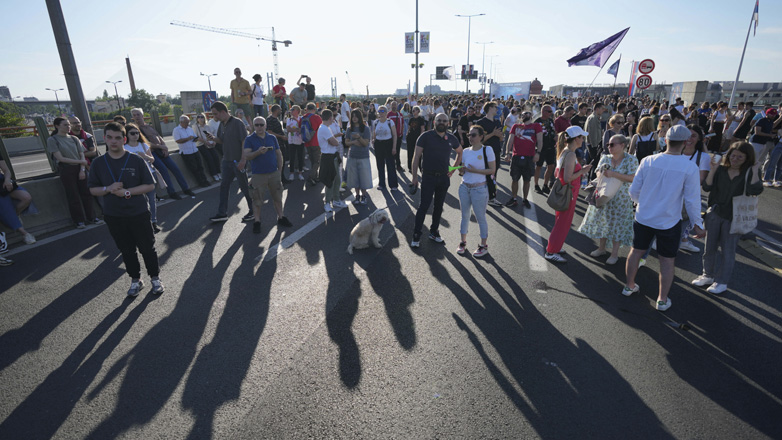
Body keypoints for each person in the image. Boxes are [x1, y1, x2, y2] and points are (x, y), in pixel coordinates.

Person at [622, 125, 706, 312]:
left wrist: (641, 204)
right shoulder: (689, 167)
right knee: (667, 260)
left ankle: (629, 285)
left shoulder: (648, 160)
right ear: (685, 142)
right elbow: (692, 200)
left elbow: (634, 191)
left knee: (635, 251)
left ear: (665, 140)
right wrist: (698, 225)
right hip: (669, 221)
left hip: (643, 217)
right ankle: (662, 299)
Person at [88, 122, 163, 297]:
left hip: (138, 213)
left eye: (117, 138)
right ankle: (136, 280)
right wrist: (108, 189)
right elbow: (93, 189)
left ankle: (155, 278)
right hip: (114, 215)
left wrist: (127, 192)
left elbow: (150, 185)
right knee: (127, 250)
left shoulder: (136, 159)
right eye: (109, 137)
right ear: (105, 139)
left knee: (147, 248)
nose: (113, 141)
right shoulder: (99, 163)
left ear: (124, 139)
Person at [693, 142, 763, 295]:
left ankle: (722, 281)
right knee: (709, 248)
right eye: (733, 155)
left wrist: (756, 170)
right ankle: (707, 275)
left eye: (740, 156)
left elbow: (755, 190)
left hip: (735, 216)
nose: (735, 159)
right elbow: (707, 187)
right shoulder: (722, 170)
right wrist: (713, 169)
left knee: (728, 251)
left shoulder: (749, 172)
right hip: (715, 213)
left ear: (747, 158)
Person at [578, 134, 638, 265]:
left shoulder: (631, 159)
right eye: (608, 145)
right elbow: (597, 172)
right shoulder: (605, 157)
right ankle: (601, 248)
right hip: (604, 194)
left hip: (621, 197)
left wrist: (613, 174)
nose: (609, 147)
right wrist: (602, 173)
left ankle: (614, 254)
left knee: (618, 224)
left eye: (612, 144)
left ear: (622, 145)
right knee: (603, 221)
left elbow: (633, 177)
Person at [410, 113, 463, 247]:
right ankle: (416, 235)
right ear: (434, 122)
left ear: (448, 123)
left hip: (444, 178)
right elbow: (416, 157)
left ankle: (434, 232)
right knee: (423, 207)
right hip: (428, 177)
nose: (442, 122)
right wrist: (414, 177)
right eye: (439, 120)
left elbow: (460, 152)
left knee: (438, 207)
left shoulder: (451, 138)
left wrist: (453, 169)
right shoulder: (425, 136)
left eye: (444, 121)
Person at [544, 126, 592, 263]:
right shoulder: (570, 154)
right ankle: (551, 251)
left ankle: (555, 247)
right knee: (562, 223)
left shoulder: (565, 151)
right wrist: (583, 171)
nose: (583, 139)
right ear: (576, 138)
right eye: (581, 137)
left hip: (567, 191)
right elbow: (567, 177)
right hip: (568, 191)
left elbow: (558, 174)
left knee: (562, 222)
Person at [46, 117, 102, 228]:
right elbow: (60, 158)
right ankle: (79, 220)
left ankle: (92, 217)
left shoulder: (73, 138)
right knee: (73, 196)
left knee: (86, 194)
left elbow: (81, 153)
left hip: (80, 168)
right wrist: (80, 162)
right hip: (66, 169)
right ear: (57, 126)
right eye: (65, 125)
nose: (68, 127)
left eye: (68, 125)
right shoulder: (53, 140)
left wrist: (82, 168)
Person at [131, 108, 194, 200]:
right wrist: (160, 147)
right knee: (163, 170)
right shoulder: (136, 130)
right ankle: (172, 192)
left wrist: (164, 147)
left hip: (161, 151)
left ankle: (186, 188)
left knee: (175, 169)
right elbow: (146, 143)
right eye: (134, 115)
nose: (137, 117)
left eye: (138, 114)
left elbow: (159, 136)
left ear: (142, 115)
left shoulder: (149, 127)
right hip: (152, 153)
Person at [243, 116, 293, 233]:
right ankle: (257, 221)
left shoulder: (272, 138)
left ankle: (281, 217)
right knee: (257, 200)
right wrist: (258, 152)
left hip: (274, 173)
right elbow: (247, 156)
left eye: (261, 124)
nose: (259, 127)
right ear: (253, 126)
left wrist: (279, 171)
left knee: (278, 197)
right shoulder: (249, 139)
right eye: (257, 125)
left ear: (265, 126)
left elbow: (278, 154)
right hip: (258, 175)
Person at [208, 101, 254, 223]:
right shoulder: (222, 124)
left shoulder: (237, 123)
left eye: (215, 114)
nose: (214, 116)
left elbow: (245, 141)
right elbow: (221, 140)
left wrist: (243, 160)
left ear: (223, 112)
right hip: (226, 161)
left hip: (237, 161)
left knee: (244, 186)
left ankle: (254, 210)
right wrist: (213, 139)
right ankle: (222, 213)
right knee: (224, 187)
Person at [456, 125, 495, 258]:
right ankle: (462, 242)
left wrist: (474, 170)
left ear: (480, 136)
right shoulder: (466, 151)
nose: (470, 137)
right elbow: (463, 171)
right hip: (464, 186)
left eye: (473, 135)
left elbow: (492, 170)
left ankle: (483, 245)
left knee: (480, 217)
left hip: (479, 188)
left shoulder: (487, 150)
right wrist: (461, 170)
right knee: (464, 216)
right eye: (469, 135)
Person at [124, 123, 161, 234]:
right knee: (141, 201)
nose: (135, 135)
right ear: (127, 134)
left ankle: (153, 222)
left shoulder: (143, 145)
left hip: (149, 174)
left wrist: (145, 156)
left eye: (137, 133)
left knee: (151, 200)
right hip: (134, 177)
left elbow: (152, 159)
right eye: (132, 133)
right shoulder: (125, 148)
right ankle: (144, 223)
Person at [504, 111, 541, 208]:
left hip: (529, 157)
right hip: (516, 156)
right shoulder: (516, 126)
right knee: (514, 179)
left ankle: (525, 199)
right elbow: (510, 140)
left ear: (531, 116)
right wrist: (507, 153)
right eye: (523, 114)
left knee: (527, 180)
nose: (524, 115)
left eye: (527, 114)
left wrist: (538, 153)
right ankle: (514, 198)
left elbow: (540, 140)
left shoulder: (536, 126)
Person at [0, 158, 36, 248]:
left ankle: (12, 217)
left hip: (2, 182)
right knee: (4, 204)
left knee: (26, 197)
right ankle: (25, 234)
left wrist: (7, 179)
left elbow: (6, 170)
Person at [476, 102, 504, 206]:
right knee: (483, 175)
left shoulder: (497, 122)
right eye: (495, 107)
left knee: (493, 174)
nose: (497, 109)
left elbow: (501, 138)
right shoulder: (481, 122)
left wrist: (500, 136)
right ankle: (482, 197)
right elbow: (480, 139)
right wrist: (493, 134)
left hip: (496, 151)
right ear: (490, 108)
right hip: (484, 152)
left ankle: (491, 197)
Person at [317, 110, 345, 212]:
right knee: (330, 181)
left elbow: (334, 141)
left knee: (337, 179)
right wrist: (335, 141)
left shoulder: (325, 128)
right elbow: (335, 142)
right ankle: (327, 203)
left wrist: (334, 140)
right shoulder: (324, 128)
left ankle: (336, 200)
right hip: (328, 157)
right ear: (330, 118)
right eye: (332, 118)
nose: (333, 120)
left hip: (332, 156)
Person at [173, 115, 210, 188]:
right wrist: (188, 138)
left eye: (188, 122)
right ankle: (200, 182)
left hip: (194, 150)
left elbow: (194, 138)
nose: (188, 124)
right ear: (181, 122)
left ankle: (205, 180)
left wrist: (196, 139)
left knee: (200, 167)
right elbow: (178, 140)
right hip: (187, 152)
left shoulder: (189, 129)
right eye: (186, 122)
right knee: (194, 168)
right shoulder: (176, 130)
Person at [345, 109, 372, 204]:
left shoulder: (366, 128)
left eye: (356, 116)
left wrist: (359, 138)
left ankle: (364, 196)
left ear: (360, 117)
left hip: (363, 156)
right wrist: (353, 142)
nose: (354, 118)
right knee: (354, 178)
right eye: (353, 116)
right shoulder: (349, 128)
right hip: (352, 156)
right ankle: (357, 195)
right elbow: (346, 142)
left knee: (363, 178)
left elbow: (366, 143)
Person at [371, 105, 399, 191]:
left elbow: (394, 135)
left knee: (390, 165)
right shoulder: (375, 122)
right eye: (379, 111)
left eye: (383, 111)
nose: (381, 113)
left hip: (388, 144)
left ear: (386, 113)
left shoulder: (390, 122)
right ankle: (382, 184)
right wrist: (373, 140)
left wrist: (394, 147)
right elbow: (374, 135)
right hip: (379, 145)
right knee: (380, 165)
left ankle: (393, 185)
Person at [533, 105, 557, 194]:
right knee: (538, 166)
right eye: (549, 111)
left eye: (551, 111)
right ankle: (536, 185)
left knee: (551, 166)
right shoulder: (537, 122)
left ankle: (545, 185)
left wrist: (556, 137)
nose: (551, 113)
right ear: (543, 112)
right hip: (541, 147)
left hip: (550, 147)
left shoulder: (551, 121)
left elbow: (554, 131)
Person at [193, 113, 221, 182]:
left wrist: (214, 141)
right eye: (199, 117)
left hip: (210, 144)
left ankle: (218, 172)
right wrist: (205, 141)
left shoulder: (207, 126)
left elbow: (211, 135)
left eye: (202, 117)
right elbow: (195, 137)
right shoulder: (195, 126)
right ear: (197, 119)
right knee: (209, 159)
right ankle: (214, 174)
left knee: (216, 157)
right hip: (201, 144)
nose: (200, 118)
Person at [266, 104, 290, 184]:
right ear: (276, 110)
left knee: (282, 162)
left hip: (280, 142)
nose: (281, 111)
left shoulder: (275, 119)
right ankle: (277, 180)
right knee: (279, 162)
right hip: (276, 143)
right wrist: (281, 136)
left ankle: (282, 178)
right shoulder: (270, 119)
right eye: (280, 109)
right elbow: (269, 132)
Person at [302, 103, 323, 186]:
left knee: (312, 161)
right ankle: (311, 176)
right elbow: (321, 127)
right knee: (317, 161)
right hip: (316, 141)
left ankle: (315, 177)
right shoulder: (316, 117)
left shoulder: (303, 118)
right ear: (314, 109)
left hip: (307, 142)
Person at [286, 105, 305, 181]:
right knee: (292, 158)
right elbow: (288, 129)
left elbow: (302, 129)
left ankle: (300, 173)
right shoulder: (289, 120)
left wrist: (295, 129)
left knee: (300, 157)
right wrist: (297, 130)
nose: (291, 111)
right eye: (291, 110)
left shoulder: (301, 119)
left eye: (293, 110)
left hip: (300, 141)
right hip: (292, 141)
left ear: (297, 111)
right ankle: (291, 173)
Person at [407, 106, 426, 172]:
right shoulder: (411, 119)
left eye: (414, 110)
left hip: (417, 137)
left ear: (418, 111)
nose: (413, 112)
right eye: (412, 110)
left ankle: (420, 167)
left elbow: (422, 129)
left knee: (419, 153)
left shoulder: (421, 119)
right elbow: (409, 128)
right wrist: (407, 135)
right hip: (410, 137)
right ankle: (410, 167)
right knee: (410, 152)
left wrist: (421, 137)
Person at [387, 102, 405, 172]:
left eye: (395, 105)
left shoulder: (400, 114)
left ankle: (398, 165)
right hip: (391, 137)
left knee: (397, 151)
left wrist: (402, 133)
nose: (394, 106)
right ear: (391, 106)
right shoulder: (389, 114)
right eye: (393, 105)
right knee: (392, 151)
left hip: (399, 136)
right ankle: (393, 165)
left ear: (397, 106)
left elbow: (402, 124)